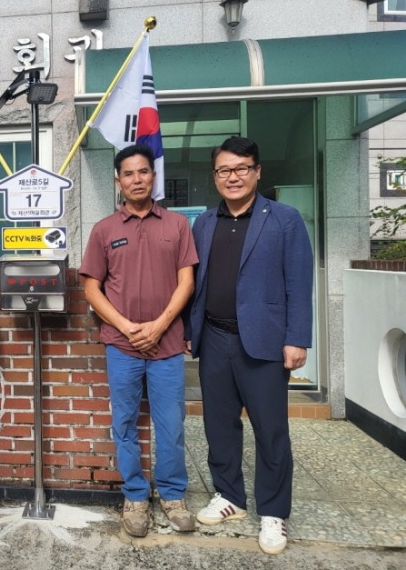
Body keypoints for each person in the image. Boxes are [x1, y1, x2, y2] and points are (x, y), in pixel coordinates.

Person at [187, 136, 313, 555]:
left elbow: (299, 282)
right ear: (215, 176)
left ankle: (274, 512)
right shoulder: (203, 223)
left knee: (271, 430)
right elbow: (196, 285)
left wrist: (297, 338)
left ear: (257, 171)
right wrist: (192, 329)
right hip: (215, 337)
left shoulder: (284, 219)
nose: (233, 177)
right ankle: (230, 497)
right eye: (224, 170)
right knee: (219, 425)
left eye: (242, 168)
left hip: (264, 343)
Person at [79, 144, 198, 538]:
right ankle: (134, 495)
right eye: (128, 174)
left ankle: (173, 494)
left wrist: (160, 325)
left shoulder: (178, 225)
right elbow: (92, 289)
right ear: (118, 181)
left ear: (153, 176)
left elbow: (187, 281)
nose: (136, 179)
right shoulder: (104, 230)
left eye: (143, 172)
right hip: (122, 345)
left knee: (170, 424)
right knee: (125, 423)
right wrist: (129, 327)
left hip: (166, 346)